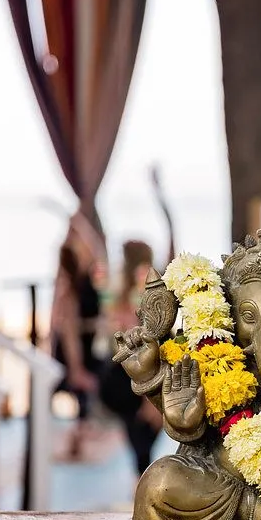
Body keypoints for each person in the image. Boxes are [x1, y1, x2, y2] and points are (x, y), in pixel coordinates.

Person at [100, 165, 177, 476]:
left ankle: (140, 479)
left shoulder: (122, 289)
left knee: (140, 446)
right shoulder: (138, 291)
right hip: (133, 375)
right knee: (141, 443)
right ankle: (141, 481)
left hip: (126, 375)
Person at [50, 211, 105, 450]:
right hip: (75, 353)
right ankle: (74, 441)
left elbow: (96, 250)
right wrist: (77, 369)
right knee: (79, 396)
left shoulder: (84, 280)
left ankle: (78, 438)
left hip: (85, 347)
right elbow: (68, 333)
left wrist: (78, 225)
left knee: (85, 403)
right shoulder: (69, 291)